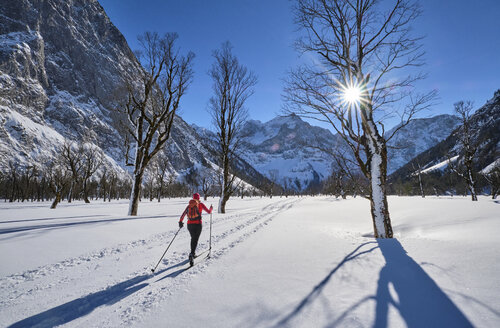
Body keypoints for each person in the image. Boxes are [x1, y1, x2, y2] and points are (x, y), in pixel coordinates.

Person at [179, 193, 213, 266]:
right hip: (198, 224)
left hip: (189, 225)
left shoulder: (189, 206)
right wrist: (211, 208)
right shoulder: (201, 205)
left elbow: (183, 214)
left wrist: (180, 222)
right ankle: (192, 254)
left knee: (193, 238)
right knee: (195, 239)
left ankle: (192, 253)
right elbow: (209, 212)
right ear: (199, 198)